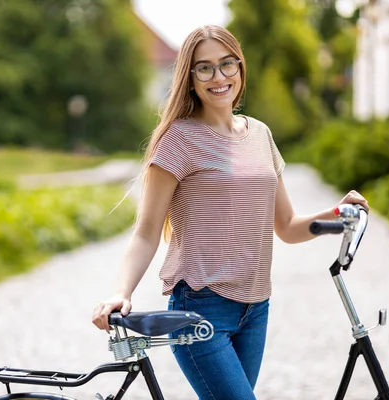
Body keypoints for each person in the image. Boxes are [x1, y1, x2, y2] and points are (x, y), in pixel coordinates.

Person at [91, 25, 368, 399]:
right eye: (204, 68)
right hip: (201, 308)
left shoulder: (260, 135)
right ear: (189, 78)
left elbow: (286, 227)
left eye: (226, 64)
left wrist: (337, 212)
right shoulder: (179, 139)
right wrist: (121, 292)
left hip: (256, 308)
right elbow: (146, 232)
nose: (218, 77)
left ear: (240, 68)